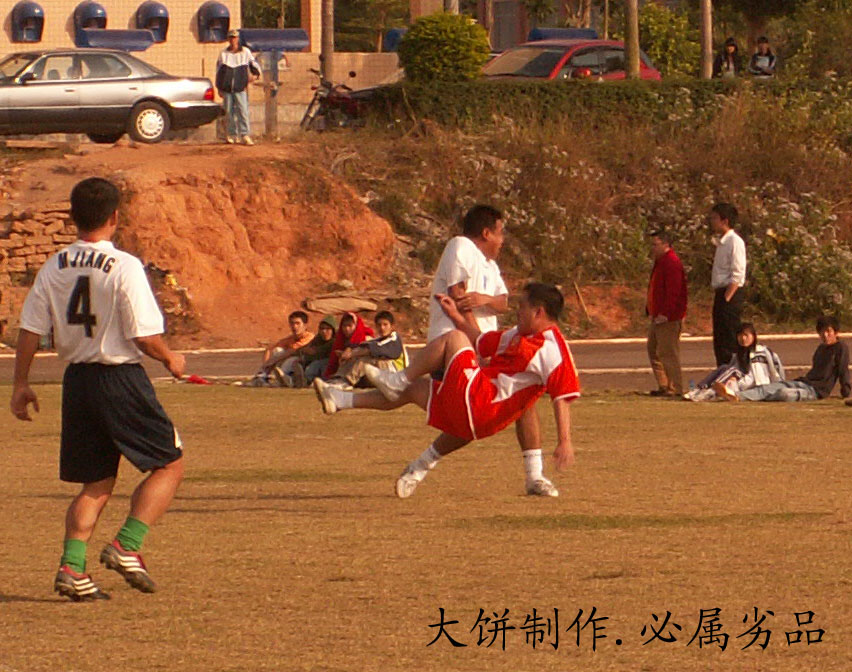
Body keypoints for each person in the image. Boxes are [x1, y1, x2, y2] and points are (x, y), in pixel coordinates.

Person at [10, 177, 185, 601]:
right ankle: (127, 545)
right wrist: (170, 359)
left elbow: (31, 328)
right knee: (169, 464)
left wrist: (21, 383)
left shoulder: (54, 265)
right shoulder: (124, 266)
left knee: (96, 482)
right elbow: (143, 335)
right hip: (118, 377)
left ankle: (72, 567)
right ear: (115, 217)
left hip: (78, 382)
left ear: (72, 217)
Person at [312, 283, 580, 499]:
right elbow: (480, 341)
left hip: (481, 400)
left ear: (538, 312)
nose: (517, 311)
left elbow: (562, 397)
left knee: (453, 340)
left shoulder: (552, 348)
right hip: (477, 414)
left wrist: (565, 441)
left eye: (522, 306)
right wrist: (455, 315)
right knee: (414, 390)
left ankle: (398, 378)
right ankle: (341, 400)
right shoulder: (519, 335)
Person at [428, 205, 556, 496]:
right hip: (458, 345)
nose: (502, 240)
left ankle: (535, 477)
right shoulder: (460, 246)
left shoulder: (489, 265)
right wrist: (478, 341)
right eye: (500, 233)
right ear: (486, 233)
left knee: (523, 399)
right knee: (446, 409)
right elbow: (459, 298)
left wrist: (484, 299)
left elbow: (503, 302)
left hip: (482, 346)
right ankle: (352, 398)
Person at [717, 316, 850, 402]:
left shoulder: (841, 347)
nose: (825, 335)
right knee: (768, 387)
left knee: (783, 394)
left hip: (816, 392)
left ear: (836, 332)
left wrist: (846, 392)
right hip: (804, 382)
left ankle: (748, 397)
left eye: (829, 331)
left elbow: (843, 370)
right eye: (822, 332)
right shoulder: (820, 349)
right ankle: (735, 395)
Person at [684, 322, 784, 401]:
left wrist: (779, 383)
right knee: (724, 368)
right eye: (740, 335)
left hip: (757, 385)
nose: (743, 338)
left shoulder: (761, 352)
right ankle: (700, 389)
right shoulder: (739, 354)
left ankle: (709, 392)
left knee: (734, 371)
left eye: (746, 335)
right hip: (741, 382)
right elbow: (729, 370)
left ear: (753, 337)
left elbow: (762, 374)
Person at [646, 230, 687, 397]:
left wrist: (666, 313)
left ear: (665, 244)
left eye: (655, 244)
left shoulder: (672, 263)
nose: (653, 248)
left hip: (668, 317)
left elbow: (673, 292)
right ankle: (664, 385)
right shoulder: (660, 262)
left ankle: (676, 387)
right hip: (657, 315)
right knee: (653, 349)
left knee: (668, 352)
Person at [709, 202, 747, 366]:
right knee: (720, 338)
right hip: (720, 292)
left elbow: (738, 273)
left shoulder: (734, 241)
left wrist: (727, 298)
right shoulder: (722, 242)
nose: (712, 221)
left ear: (725, 221)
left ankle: (734, 371)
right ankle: (722, 370)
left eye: (715, 218)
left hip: (730, 293)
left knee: (730, 337)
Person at [331, 311, 407, 387]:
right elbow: (363, 345)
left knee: (366, 359)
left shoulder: (394, 339)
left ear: (392, 326)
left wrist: (352, 353)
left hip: (395, 375)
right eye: (379, 325)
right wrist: (349, 349)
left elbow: (375, 349)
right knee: (355, 356)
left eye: (385, 324)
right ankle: (339, 378)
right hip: (382, 372)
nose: (382, 328)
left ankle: (348, 382)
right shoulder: (380, 339)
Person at [215, 29, 261, 145]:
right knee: (229, 112)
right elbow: (219, 71)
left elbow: (254, 64)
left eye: (235, 37)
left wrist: (256, 75)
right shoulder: (223, 53)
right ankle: (232, 135)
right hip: (227, 88)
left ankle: (245, 135)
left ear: (238, 39)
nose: (233, 40)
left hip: (240, 88)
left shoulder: (245, 52)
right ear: (228, 39)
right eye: (231, 37)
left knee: (243, 111)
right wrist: (219, 87)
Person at [245, 310, 314, 387]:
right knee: (277, 350)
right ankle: (263, 376)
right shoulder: (290, 339)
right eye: (292, 323)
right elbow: (269, 349)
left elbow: (292, 351)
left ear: (305, 325)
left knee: (291, 360)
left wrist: (273, 361)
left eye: (297, 323)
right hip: (290, 363)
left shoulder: (309, 338)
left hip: (305, 365)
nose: (294, 326)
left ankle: (287, 378)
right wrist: (265, 366)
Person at [289, 315, 337, 388]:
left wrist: (307, 356)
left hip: (330, 366)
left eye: (328, 329)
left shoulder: (336, 340)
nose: (324, 331)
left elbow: (319, 351)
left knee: (315, 366)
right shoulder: (318, 339)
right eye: (322, 329)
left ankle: (307, 381)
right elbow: (305, 348)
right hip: (316, 363)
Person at [323, 312, 374, 380]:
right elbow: (333, 362)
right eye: (344, 326)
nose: (346, 329)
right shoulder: (341, 340)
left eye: (350, 326)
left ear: (356, 326)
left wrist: (350, 351)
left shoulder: (367, 339)